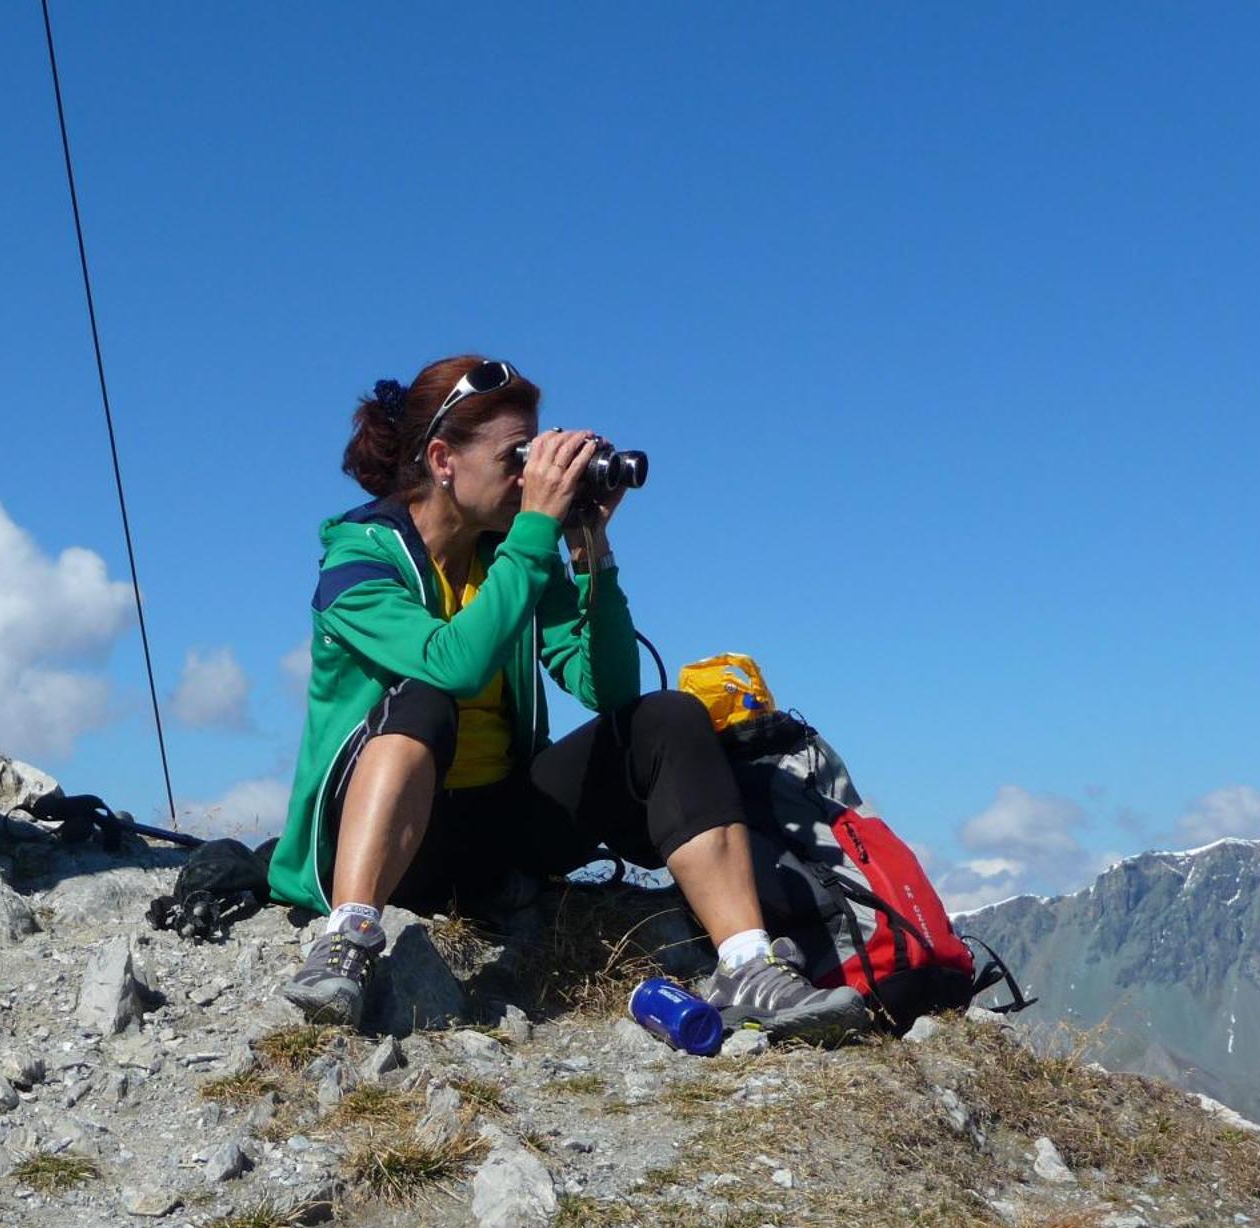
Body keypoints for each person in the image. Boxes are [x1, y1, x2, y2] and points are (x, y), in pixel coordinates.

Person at [266, 355, 869, 1044]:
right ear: (442, 459)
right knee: (423, 698)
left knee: (666, 718)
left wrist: (591, 551)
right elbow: (453, 665)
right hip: (396, 845)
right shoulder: (360, 556)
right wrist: (534, 533)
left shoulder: (512, 554)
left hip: (499, 838)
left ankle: (746, 965)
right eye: (515, 456)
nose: (531, 476)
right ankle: (348, 937)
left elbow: (609, 690)